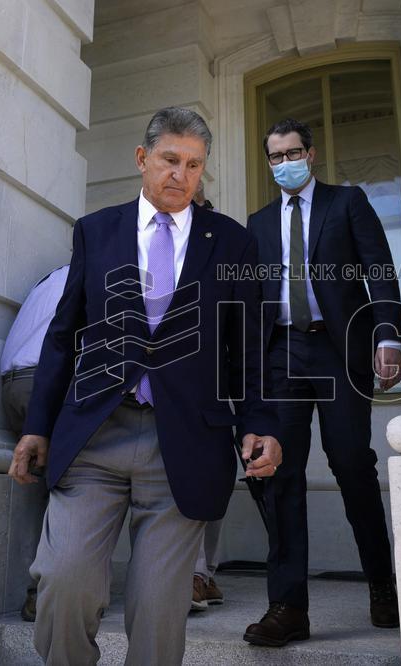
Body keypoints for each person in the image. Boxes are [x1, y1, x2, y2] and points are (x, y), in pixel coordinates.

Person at [7, 107, 282, 666]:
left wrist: (260, 424)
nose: (180, 175)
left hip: (181, 444)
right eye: (169, 160)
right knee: (65, 583)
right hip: (94, 439)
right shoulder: (97, 231)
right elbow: (62, 337)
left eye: (194, 164)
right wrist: (37, 426)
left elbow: (248, 347)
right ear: (142, 159)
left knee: (159, 612)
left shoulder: (231, 243)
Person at [243, 118, 401, 647]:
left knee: (351, 464)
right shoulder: (259, 222)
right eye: (275, 156)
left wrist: (388, 335)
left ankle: (382, 584)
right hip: (282, 353)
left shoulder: (346, 202)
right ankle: (287, 605)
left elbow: (379, 268)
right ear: (269, 163)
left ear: (310, 155)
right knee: (274, 470)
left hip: (338, 350)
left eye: (292, 152)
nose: (284, 163)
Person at [0, 263, 69, 622]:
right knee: (72, 491)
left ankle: (44, 591)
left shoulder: (51, 276)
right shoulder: (98, 271)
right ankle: (43, 597)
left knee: (51, 490)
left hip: (11, 382)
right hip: (45, 382)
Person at [189, 178, 225, 613]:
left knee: (211, 474)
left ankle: (202, 573)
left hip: (216, 374)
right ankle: (194, 574)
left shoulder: (220, 240)